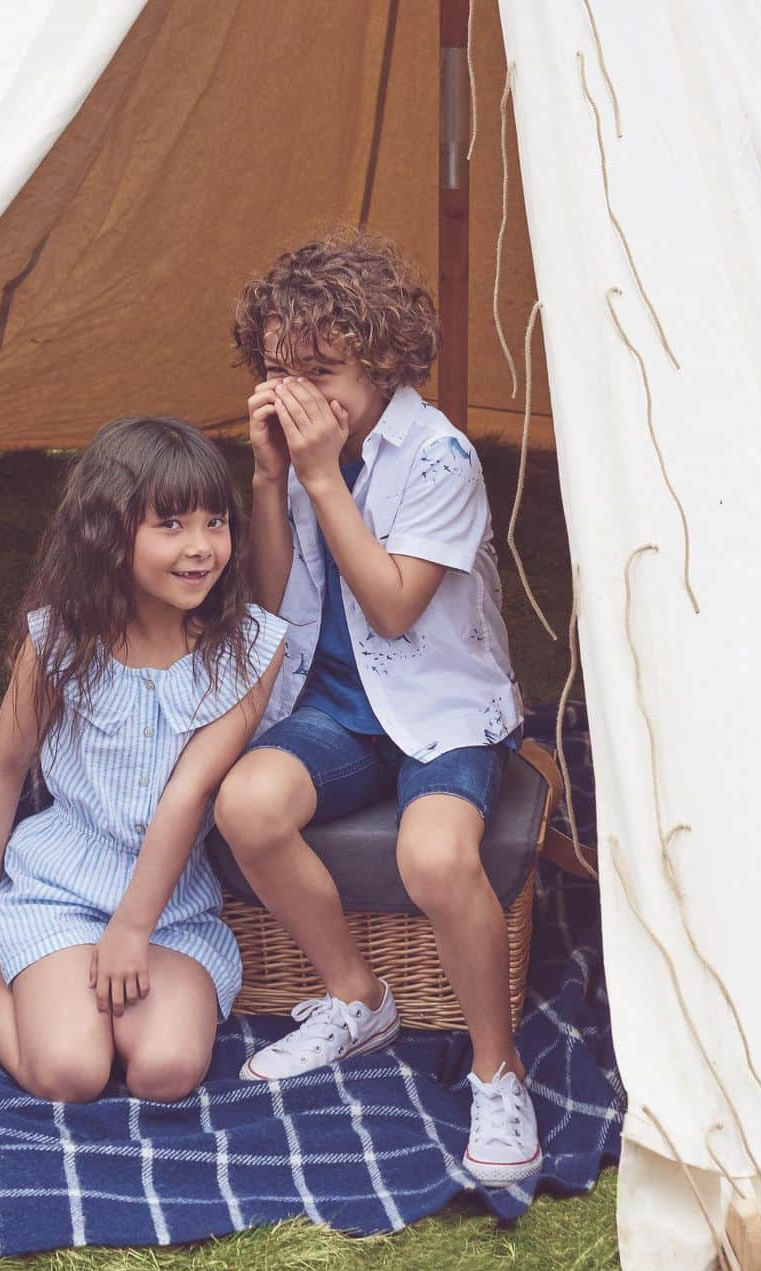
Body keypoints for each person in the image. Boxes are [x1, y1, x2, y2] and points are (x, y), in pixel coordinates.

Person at [214, 230, 541, 1186]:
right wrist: (273, 483)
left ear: (384, 359)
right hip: (346, 707)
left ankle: (497, 1069)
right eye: (279, 371)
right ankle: (358, 997)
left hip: (440, 705)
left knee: (434, 853)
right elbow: (277, 603)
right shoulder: (308, 457)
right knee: (246, 805)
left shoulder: (437, 457)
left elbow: (396, 604)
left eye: (321, 371)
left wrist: (318, 475)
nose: (299, 395)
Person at [0, 417, 285, 1104]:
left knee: (166, 1072)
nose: (200, 548)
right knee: (73, 1073)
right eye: (172, 525)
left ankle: (87, 985)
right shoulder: (62, 640)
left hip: (170, 909)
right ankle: (6, 975)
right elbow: (2, 766)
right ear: (109, 534)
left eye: (215, 522)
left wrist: (133, 928)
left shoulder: (248, 650)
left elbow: (187, 794)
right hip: (61, 890)